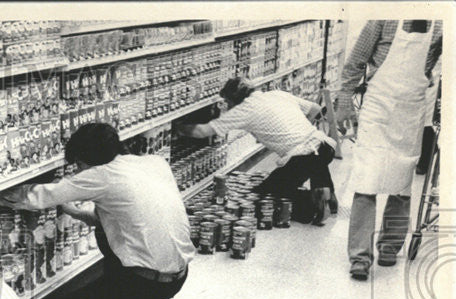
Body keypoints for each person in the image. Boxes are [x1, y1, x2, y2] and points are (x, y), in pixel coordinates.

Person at [0, 122, 194, 299]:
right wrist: (75, 212)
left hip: (144, 284)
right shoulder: (155, 162)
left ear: (84, 160)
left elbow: (36, 197)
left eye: (78, 166)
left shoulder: (101, 175)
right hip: (179, 276)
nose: (78, 172)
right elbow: (125, 221)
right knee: (105, 229)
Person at [336, 20, 443, 280]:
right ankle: (360, 257)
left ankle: (389, 246)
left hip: (411, 109)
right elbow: (355, 63)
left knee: (402, 180)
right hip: (378, 106)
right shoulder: (382, 18)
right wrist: (344, 102)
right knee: (367, 178)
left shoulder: (441, 23)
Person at [177, 78, 337, 223]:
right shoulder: (277, 94)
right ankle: (327, 194)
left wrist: (177, 128)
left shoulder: (244, 110)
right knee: (316, 160)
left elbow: (203, 131)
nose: (227, 107)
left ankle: (312, 203)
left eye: (227, 102)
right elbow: (316, 109)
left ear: (235, 99)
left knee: (266, 195)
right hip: (325, 145)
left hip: (302, 157)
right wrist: (303, 131)